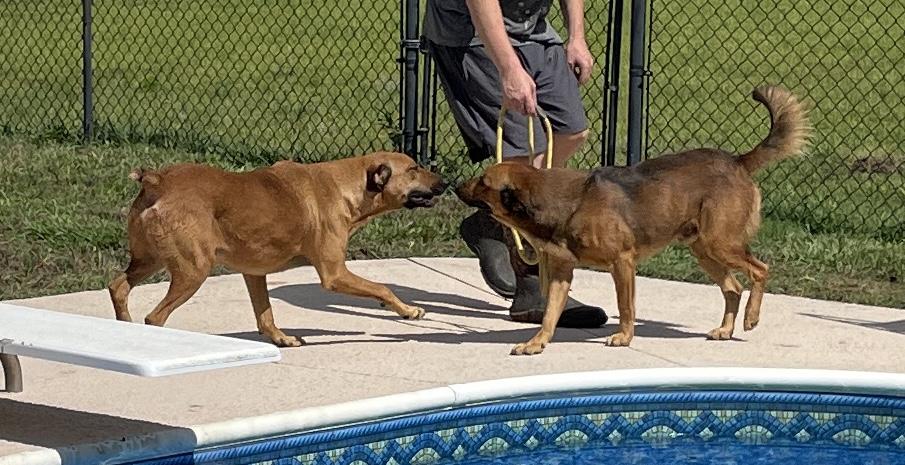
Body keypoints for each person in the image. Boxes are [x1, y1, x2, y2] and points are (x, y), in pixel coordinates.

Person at [424, 0, 607, 327]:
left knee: (571, 131)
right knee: (520, 155)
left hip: (533, 31)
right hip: (474, 36)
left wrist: (576, 36)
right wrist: (509, 69)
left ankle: (495, 219)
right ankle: (533, 289)